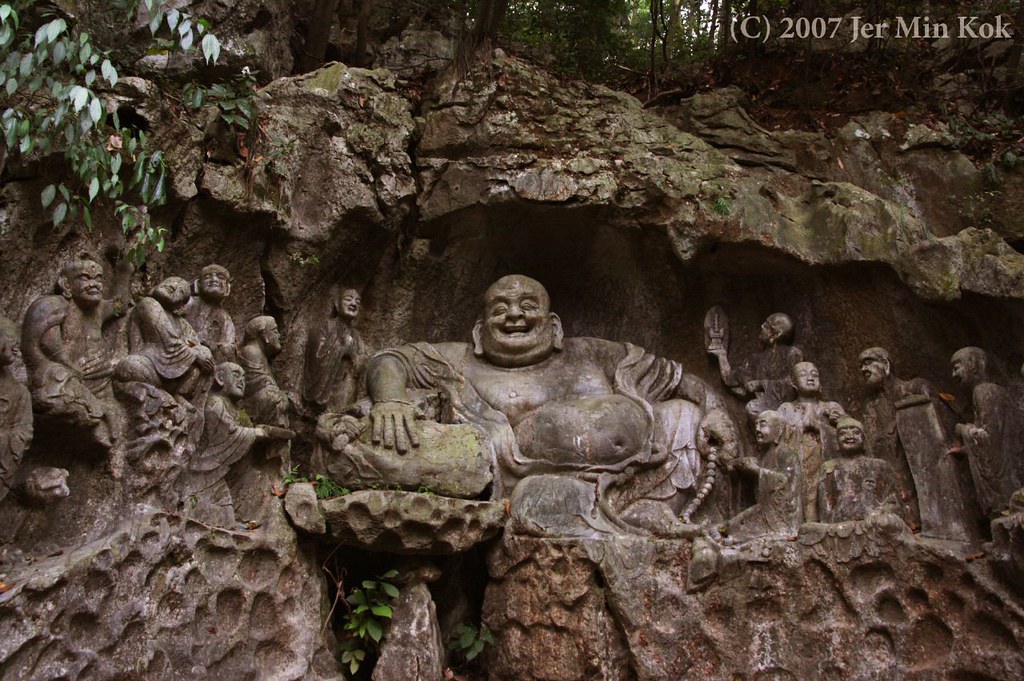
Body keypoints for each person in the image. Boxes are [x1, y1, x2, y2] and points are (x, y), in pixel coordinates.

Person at [364, 274, 735, 535]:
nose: (514, 315)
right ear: (479, 332)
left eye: (527, 306)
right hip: (530, 482)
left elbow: (677, 378)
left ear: (554, 326)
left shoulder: (590, 352)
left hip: (639, 472)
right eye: (500, 309)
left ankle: (653, 512)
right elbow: (389, 359)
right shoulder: (460, 361)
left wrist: (715, 407)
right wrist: (390, 400)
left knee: (684, 416)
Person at [21, 257, 127, 446]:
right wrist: (70, 367)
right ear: (66, 285)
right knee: (56, 379)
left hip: (98, 380)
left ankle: (101, 410)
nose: (94, 284)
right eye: (85, 278)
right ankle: (99, 410)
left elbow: (120, 305)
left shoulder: (99, 308)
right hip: (63, 376)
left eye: (99, 279)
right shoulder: (54, 305)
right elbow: (39, 345)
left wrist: (124, 272)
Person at [190, 362, 294, 525]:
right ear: (220, 378)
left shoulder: (237, 411)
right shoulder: (215, 403)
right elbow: (229, 432)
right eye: (236, 375)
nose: (241, 381)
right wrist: (259, 433)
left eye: (244, 378)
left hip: (230, 471)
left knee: (258, 483)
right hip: (207, 470)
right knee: (218, 510)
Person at [951, 347, 1023, 517]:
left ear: (975, 365)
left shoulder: (984, 391)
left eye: (957, 367)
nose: (954, 375)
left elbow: (986, 439)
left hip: (1005, 481)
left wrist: (961, 429)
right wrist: (963, 450)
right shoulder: (994, 390)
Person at [120, 277, 215, 401]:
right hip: (149, 366)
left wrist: (202, 353)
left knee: (204, 357)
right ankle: (164, 394)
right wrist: (194, 354)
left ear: (181, 304)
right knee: (130, 365)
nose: (173, 287)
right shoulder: (148, 303)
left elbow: (195, 344)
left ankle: (180, 396)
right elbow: (166, 341)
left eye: (180, 291)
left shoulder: (183, 324)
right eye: (169, 282)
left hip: (178, 376)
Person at [777, 361, 846, 522]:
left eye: (814, 374)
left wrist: (827, 426)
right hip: (797, 463)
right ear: (793, 383)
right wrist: (800, 428)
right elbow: (776, 440)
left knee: (822, 493)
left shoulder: (831, 407)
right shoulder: (785, 409)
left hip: (824, 461)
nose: (810, 378)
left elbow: (850, 434)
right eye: (803, 375)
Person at [724, 410, 802, 544]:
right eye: (756, 426)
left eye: (763, 425)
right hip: (764, 508)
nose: (758, 429)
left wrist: (758, 471)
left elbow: (787, 484)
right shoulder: (763, 456)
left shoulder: (787, 454)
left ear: (777, 431)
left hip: (781, 516)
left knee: (735, 527)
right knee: (732, 525)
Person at [708, 312, 803, 421]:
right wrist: (722, 355)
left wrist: (761, 384)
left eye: (767, 326)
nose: (762, 326)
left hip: (790, 410)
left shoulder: (793, 354)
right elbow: (730, 379)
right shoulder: (755, 360)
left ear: (776, 334)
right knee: (752, 407)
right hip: (764, 409)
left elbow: (794, 383)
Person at [817, 417, 897, 523]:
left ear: (863, 439)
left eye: (855, 432)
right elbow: (826, 507)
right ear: (836, 442)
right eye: (843, 433)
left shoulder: (879, 465)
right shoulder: (829, 467)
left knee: (888, 523)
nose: (850, 436)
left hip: (874, 523)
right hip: (840, 526)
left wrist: (879, 512)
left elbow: (893, 501)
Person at [303, 287, 366, 412]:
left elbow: (362, 360)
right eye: (348, 299)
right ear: (337, 304)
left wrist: (356, 357)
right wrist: (342, 349)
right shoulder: (323, 327)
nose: (353, 304)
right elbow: (316, 358)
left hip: (346, 385)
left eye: (358, 302)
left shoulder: (357, 336)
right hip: (327, 387)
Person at [0, 316, 32, 501]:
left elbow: (24, 431)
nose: (16, 349)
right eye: (11, 340)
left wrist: (4, 440)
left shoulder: (19, 393)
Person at [185, 264, 237, 363]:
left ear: (227, 287)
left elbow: (228, 348)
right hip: (185, 354)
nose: (214, 279)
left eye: (220, 277)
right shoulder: (189, 303)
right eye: (207, 277)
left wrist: (212, 346)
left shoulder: (224, 318)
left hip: (209, 362)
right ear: (198, 285)